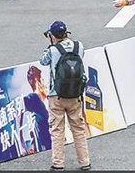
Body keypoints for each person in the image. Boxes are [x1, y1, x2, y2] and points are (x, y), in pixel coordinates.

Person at [40, 21, 90, 171]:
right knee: (78, 129)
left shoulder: (53, 50)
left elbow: (43, 61)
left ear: (53, 35)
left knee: (57, 130)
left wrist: (50, 46)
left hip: (57, 95)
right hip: (75, 94)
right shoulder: (79, 46)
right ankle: (85, 162)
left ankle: (58, 163)